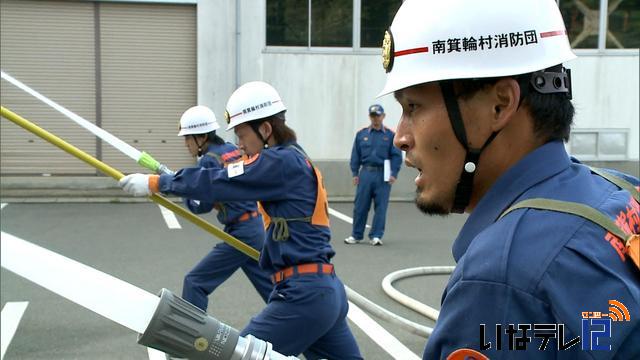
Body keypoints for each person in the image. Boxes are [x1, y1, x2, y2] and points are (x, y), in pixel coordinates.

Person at [381, 0, 639, 359]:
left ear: (500, 105)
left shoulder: (502, 276)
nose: (400, 136)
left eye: (413, 107)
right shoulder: (621, 192)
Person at [119, 81, 362, 359]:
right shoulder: (294, 158)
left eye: (242, 134)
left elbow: (218, 180)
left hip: (303, 296)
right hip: (324, 291)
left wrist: (156, 182)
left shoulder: (278, 162)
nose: (239, 144)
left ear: (266, 130)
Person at [175, 105, 273, 312]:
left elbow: (201, 206)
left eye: (187, 138)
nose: (186, 144)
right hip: (255, 227)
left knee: (195, 282)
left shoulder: (209, 161)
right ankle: (302, 334)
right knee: (271, 290)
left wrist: (183, 192)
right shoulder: (231, 150)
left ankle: (190, 337)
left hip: (242, 233)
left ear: (201, 138)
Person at [344, 104, 402, 246]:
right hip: (366, 173)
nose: (375, 119)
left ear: (383, 116)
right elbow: (355, 155)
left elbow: (396, 156)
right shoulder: (362, 134)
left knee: (381, 206)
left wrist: (393, 173)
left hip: (383, 174)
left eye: (378, 115)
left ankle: (376, 235)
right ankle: (356, 235)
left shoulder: (390, 135)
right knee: (360, 206)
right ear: (370, 117)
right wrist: (354, 173)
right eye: (373, 116)